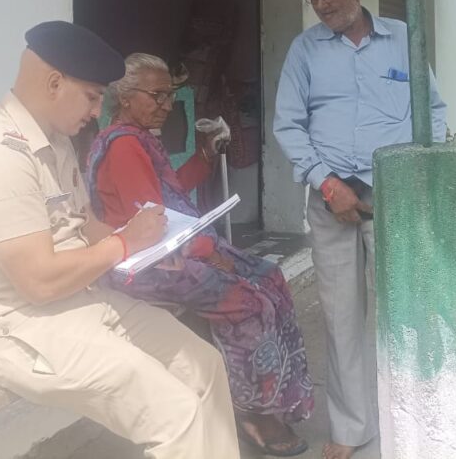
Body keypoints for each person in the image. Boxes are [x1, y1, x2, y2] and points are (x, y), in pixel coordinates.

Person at [0, 21, 240, 459]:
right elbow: (39, 282)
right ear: (54, 83)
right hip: (17, 328)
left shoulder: (55, 142)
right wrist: (125, 243)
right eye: (93, 96)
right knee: (178, 414)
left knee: (204, 366)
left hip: (81, 303)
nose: (98, 111)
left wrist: (155, 246)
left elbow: (85, 225)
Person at [86, 53, 313, 458]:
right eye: (156, 95)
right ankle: (250, 410)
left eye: (170, 94)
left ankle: (274, 396)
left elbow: (169, 192)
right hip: (147, 265)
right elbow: (153, 224)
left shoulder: (138, 138)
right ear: (125, 96)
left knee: (270, 275)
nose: (166, 104)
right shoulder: (124, 146)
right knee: (250, 302)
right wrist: (210, 252)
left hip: (169, 249)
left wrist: (205, 155)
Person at [273, 0, 447, 459]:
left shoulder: (403, 39)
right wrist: (328, 184)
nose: (322, 4)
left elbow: (433, 112)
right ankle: (351, 428)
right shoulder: (304, 50)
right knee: (341, 318)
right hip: (330, 199)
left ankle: (411, 416)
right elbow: (288, 124)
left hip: (393, 194)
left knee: (406, 310)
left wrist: (415, 177)